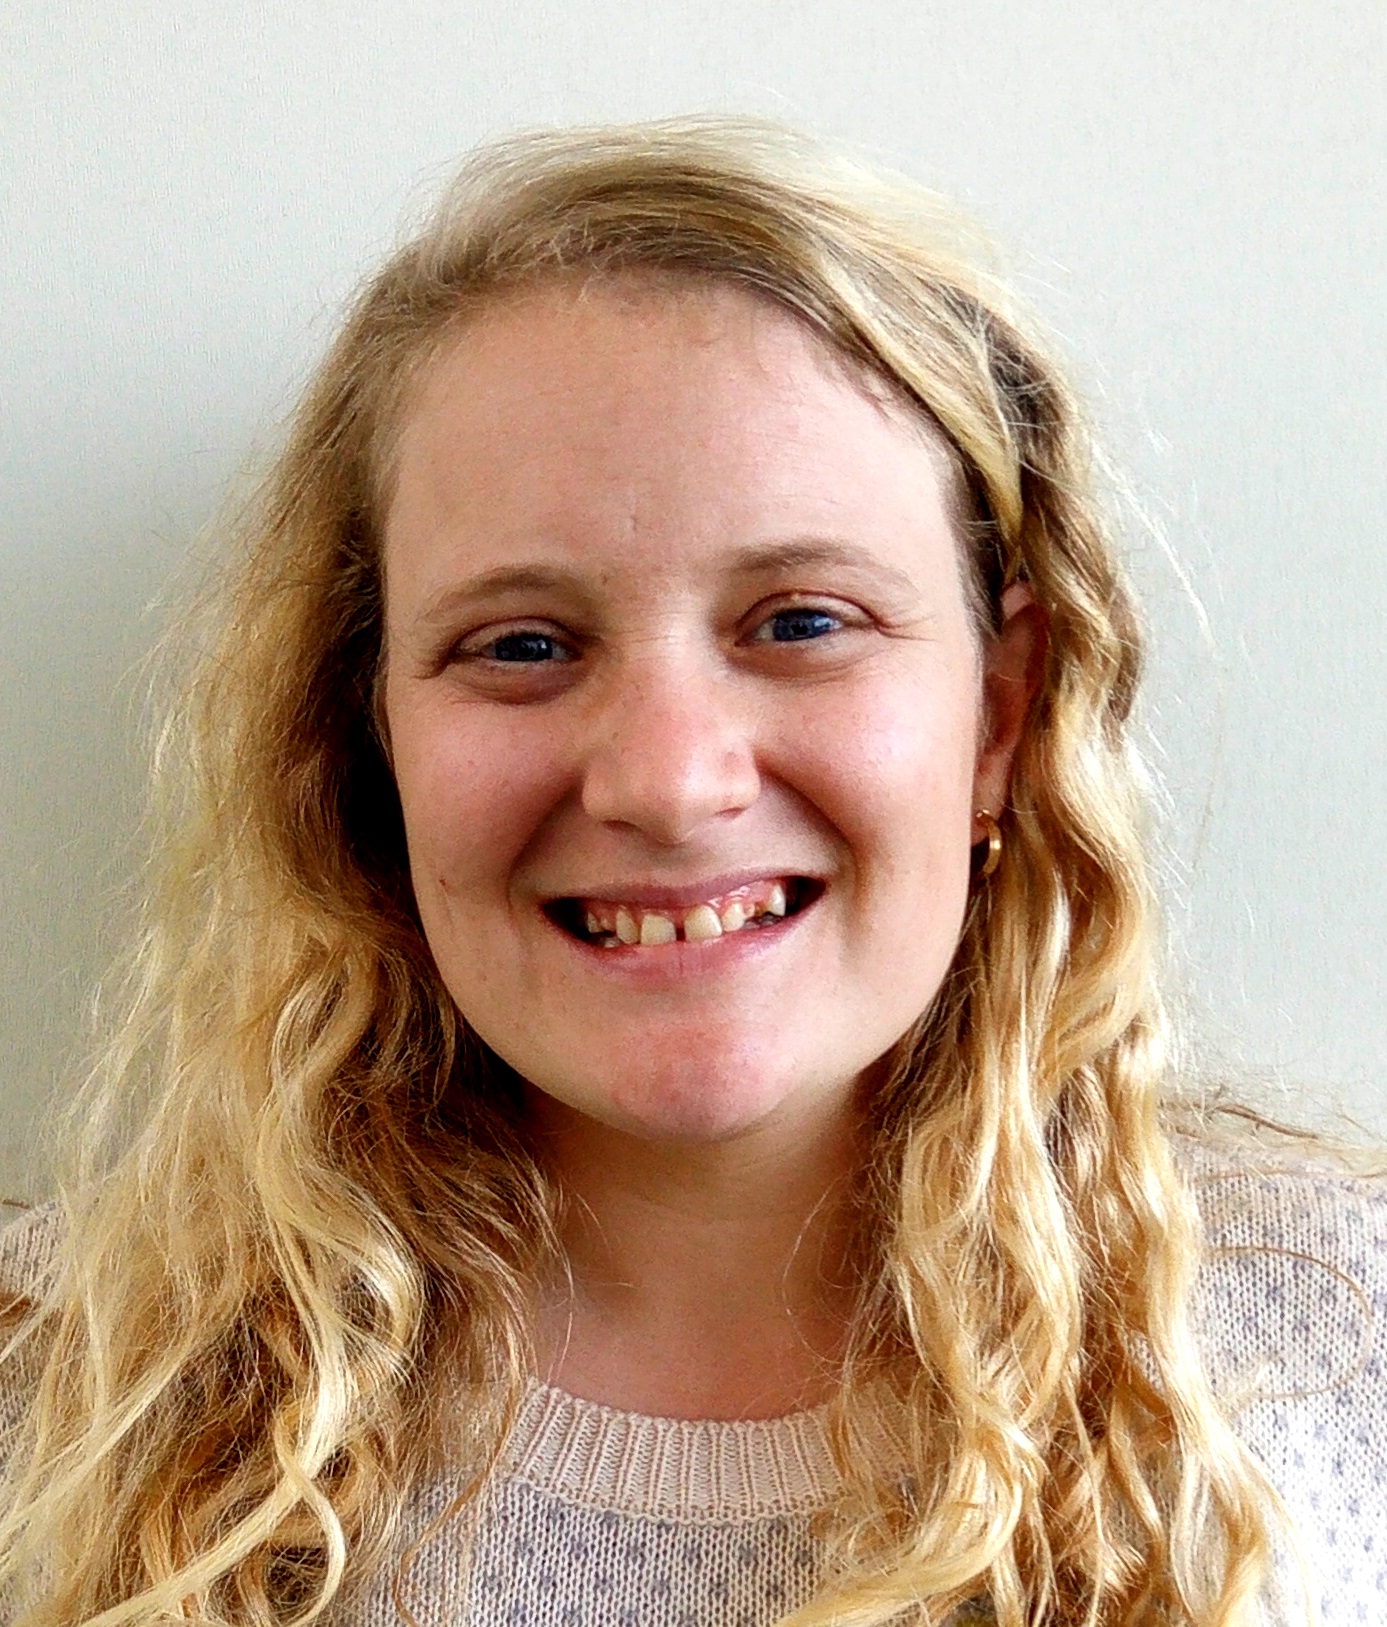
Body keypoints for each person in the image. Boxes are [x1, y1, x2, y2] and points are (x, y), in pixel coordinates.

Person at [0, 117, 1383, 1627]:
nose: (666, 783)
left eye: (802, 623)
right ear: (368, 737)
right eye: (523, 644)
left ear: (998, 715)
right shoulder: (52, 1395)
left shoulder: (1341, 1349)